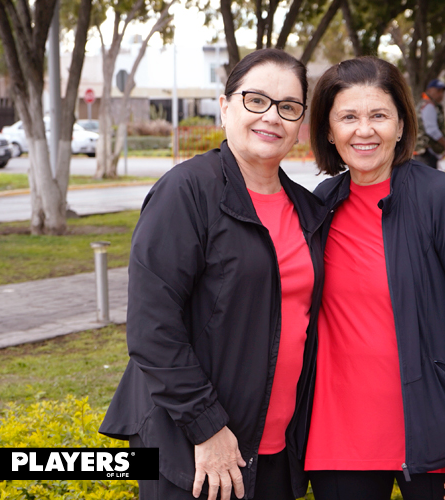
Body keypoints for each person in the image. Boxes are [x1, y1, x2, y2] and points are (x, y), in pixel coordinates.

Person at [99, 48, 327, 500]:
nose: (272, 117)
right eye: (255, 100)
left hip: (275, 448)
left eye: (288, 107)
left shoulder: (308, 209)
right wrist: (207, 427)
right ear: (225, 107)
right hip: (195, 446)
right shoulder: (186, 192)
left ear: (300, 124)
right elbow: (152, 327)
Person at [305, 57, 445, 500]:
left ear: (400, 126)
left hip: (436, 431)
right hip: (338, 437)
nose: (364, 130)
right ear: (328, 130)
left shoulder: (444, 199)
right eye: (348, 117)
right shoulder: (319, 205)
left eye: (379, 115)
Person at [416, 79, 445, 169]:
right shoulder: (428, 106)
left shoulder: (423, 104)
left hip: (422, 153)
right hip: (425, 154)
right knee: (427, 182)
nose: (441, 94)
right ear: (429, 91)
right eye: (438, 90)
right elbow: (432, 130)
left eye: (442, 91)